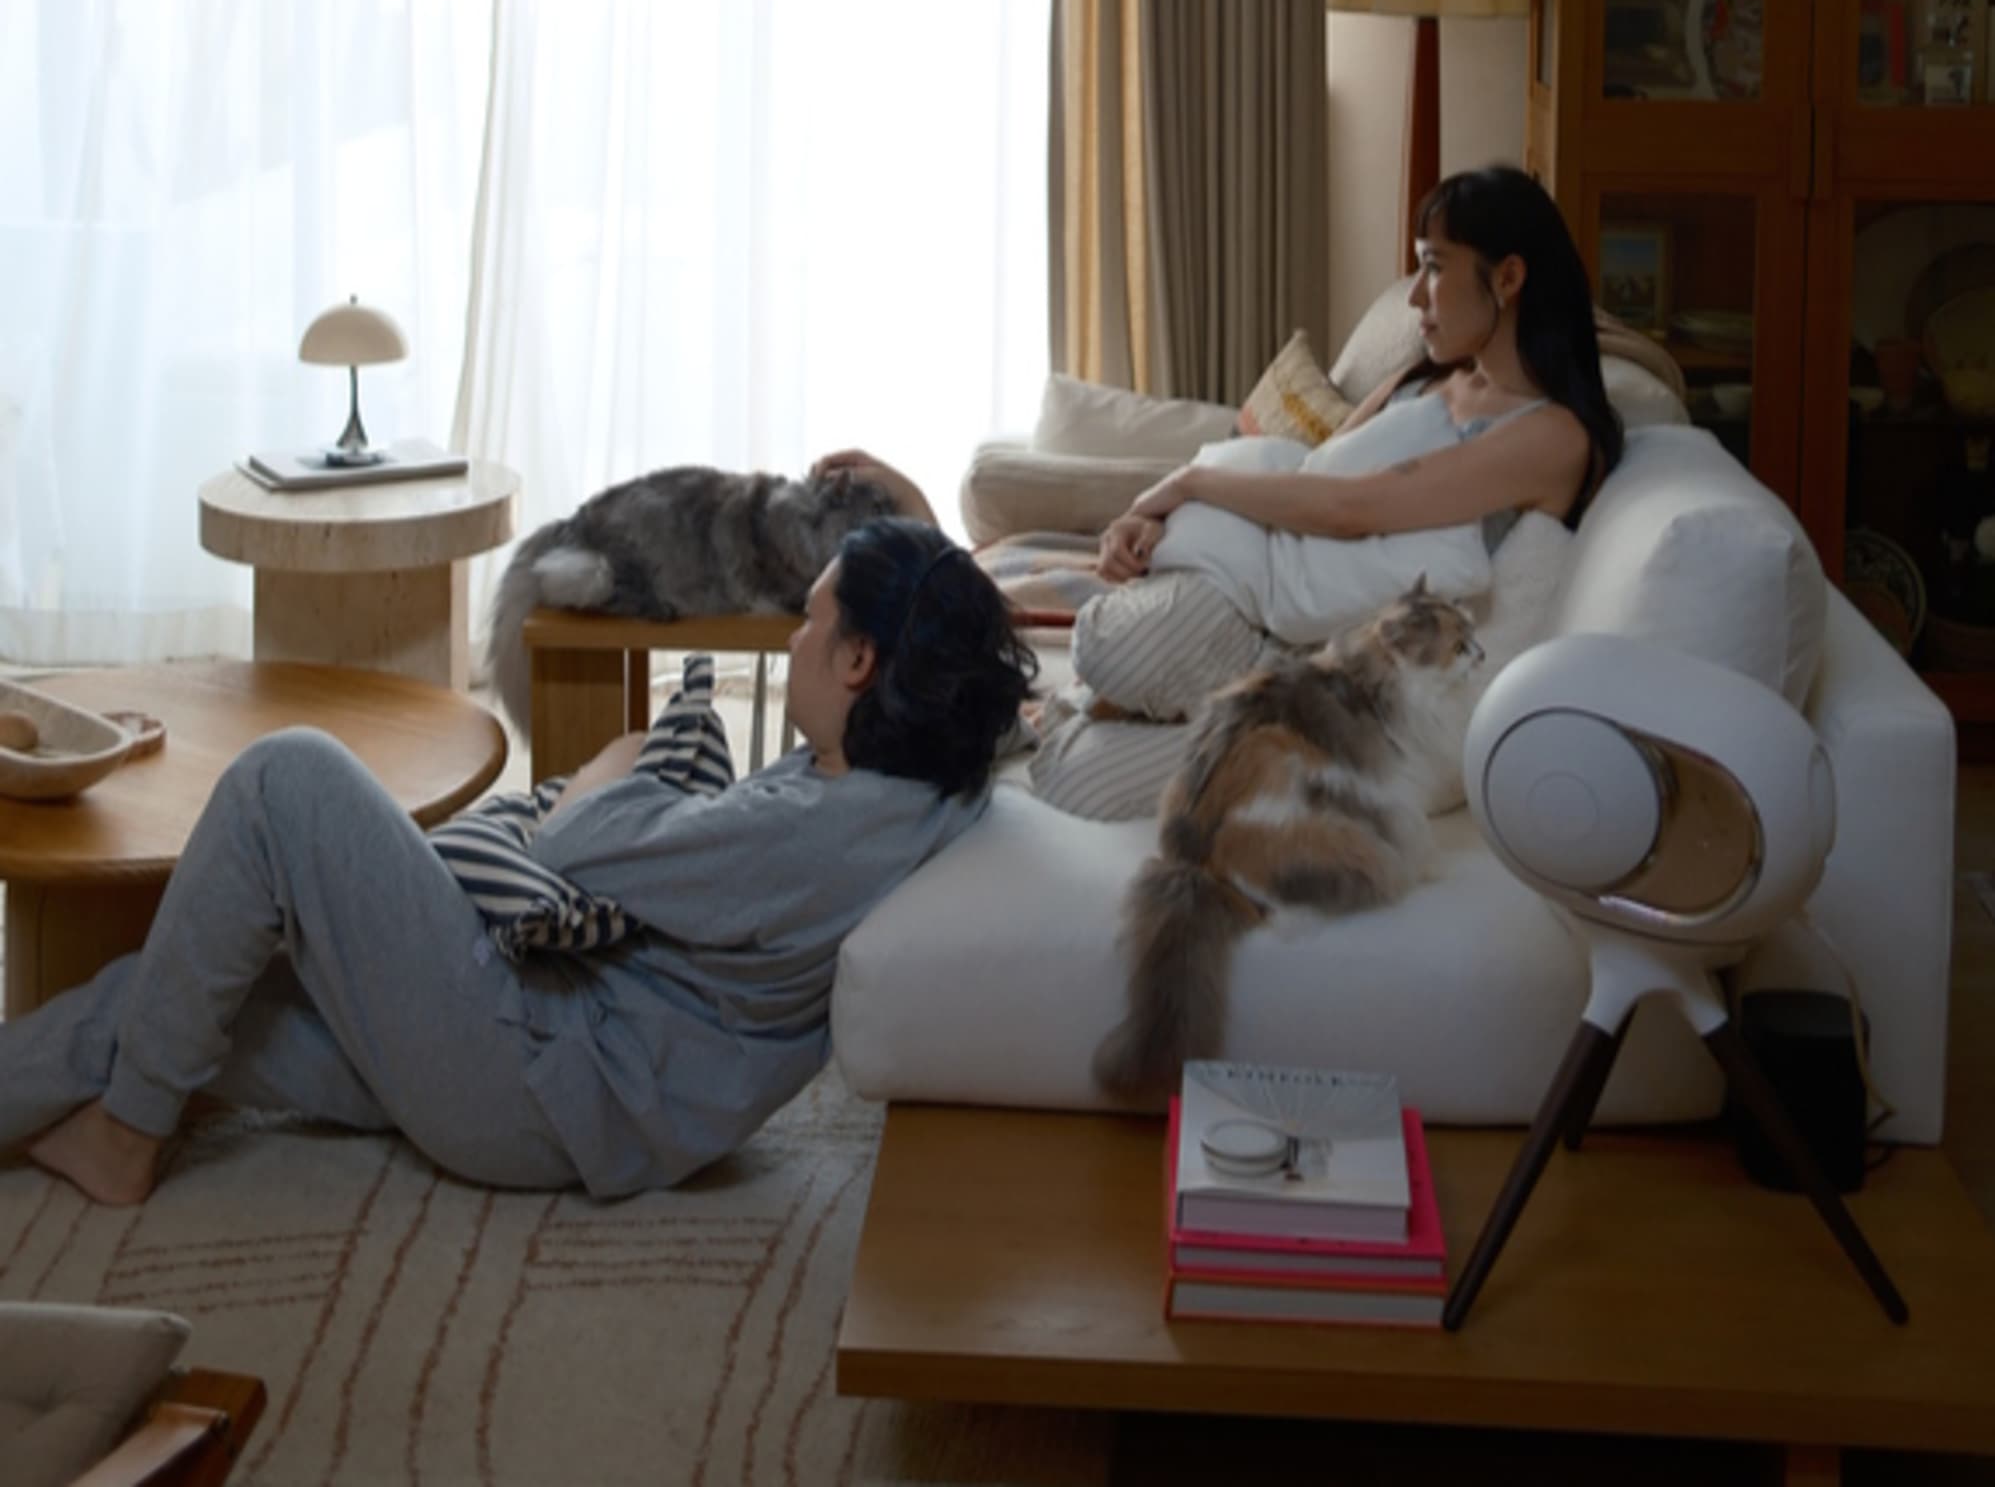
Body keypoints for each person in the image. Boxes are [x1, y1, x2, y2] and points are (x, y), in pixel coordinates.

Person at [4, 514, 1034, 1206]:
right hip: (564, 1073)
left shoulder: (815, 833)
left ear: (860, 660)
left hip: (528, 1068)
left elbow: (576, 839)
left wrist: (610, 763)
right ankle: (118, 1106)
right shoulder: (915, 787)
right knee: (172, 995)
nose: (793, 636)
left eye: (812, 620)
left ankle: (130, 1129)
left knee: (288, 777)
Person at [1030, 163, 1625, 818]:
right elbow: (1313, 478)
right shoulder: (1418, 380)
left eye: (1433, 267)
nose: (1414, 298)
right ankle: (1096, 696)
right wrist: (1162, 521)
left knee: (1076, 780)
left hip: (1319, 671)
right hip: (1252, 592)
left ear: (1507, 277)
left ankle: (1066, 713)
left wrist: (1182, 483)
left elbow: (1351, 508)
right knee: (1115, 646)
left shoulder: (1549, 436)